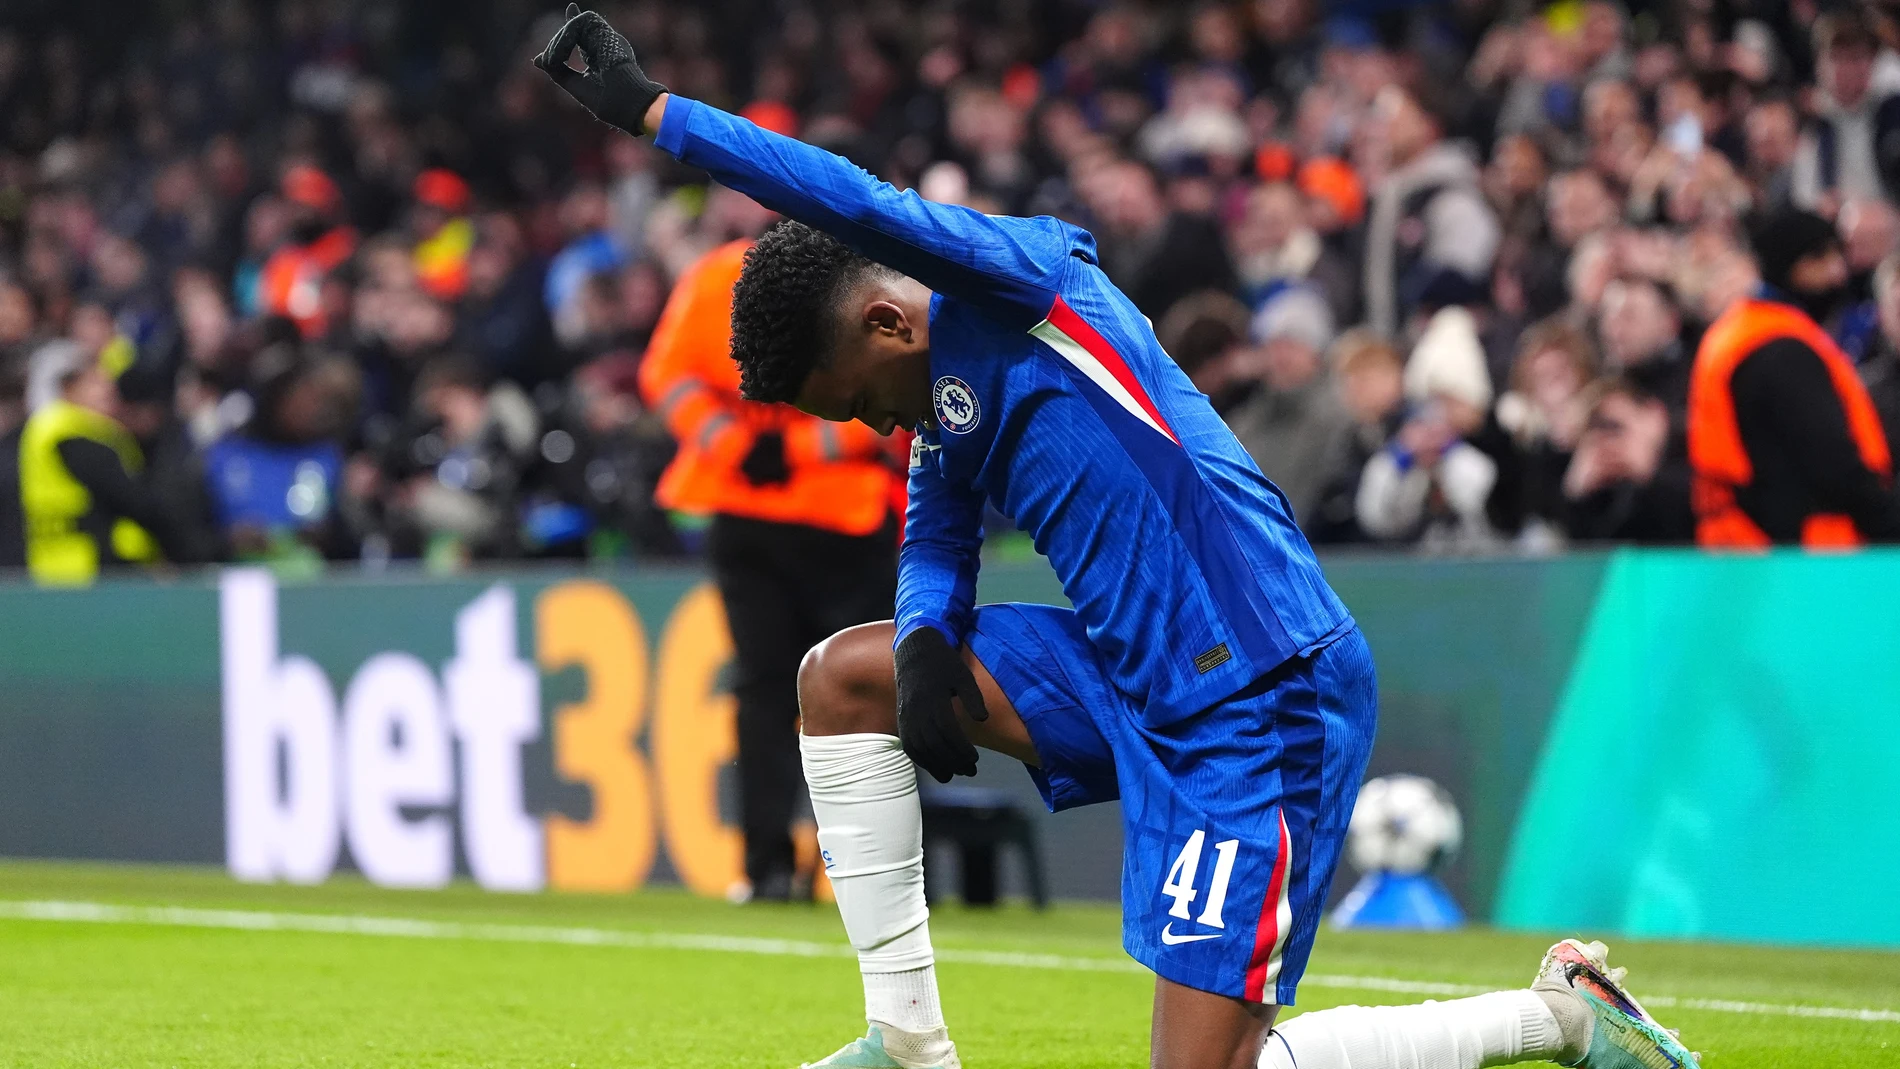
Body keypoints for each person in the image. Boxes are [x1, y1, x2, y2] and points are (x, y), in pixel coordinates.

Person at [533, 10, 1701, 1069]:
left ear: (889, 318)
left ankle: (1557, 1015)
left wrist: (656, 115)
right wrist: (930, 643)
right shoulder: (944, 400)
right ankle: (905, 1045)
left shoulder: (1020, 283)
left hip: (1259, 688)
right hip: (1126, 676)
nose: (869, 425)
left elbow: (856, 203)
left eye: (854, 400)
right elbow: (935, 533)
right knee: (840, 679)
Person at [639, 235, 905, 902]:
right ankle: (859, 869)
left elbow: (666, 378)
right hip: (823, 516)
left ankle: (770, 870)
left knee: (772, 693)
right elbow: (894, 388)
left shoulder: (718, 272)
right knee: (856, 696)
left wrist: (747, 446)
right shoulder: (858, 274)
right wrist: (769, 446)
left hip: (784, 513)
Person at [1687, 212, 1900, 547]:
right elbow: (1832, 464)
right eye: (1819, 258)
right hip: (1805, 556)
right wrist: (1890, 522)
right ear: (1787, 264)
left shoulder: (1737, 332)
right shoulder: (1780, 347)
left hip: (1746, 547)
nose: (1836, 272)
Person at [17, 353, 199, 584]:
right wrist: (190, 553)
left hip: (53, 571)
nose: (108, 389)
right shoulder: (74, 436)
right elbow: (135, 501)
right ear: (68, 389)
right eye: (94, 381)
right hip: (94, 570)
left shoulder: (44, 431)